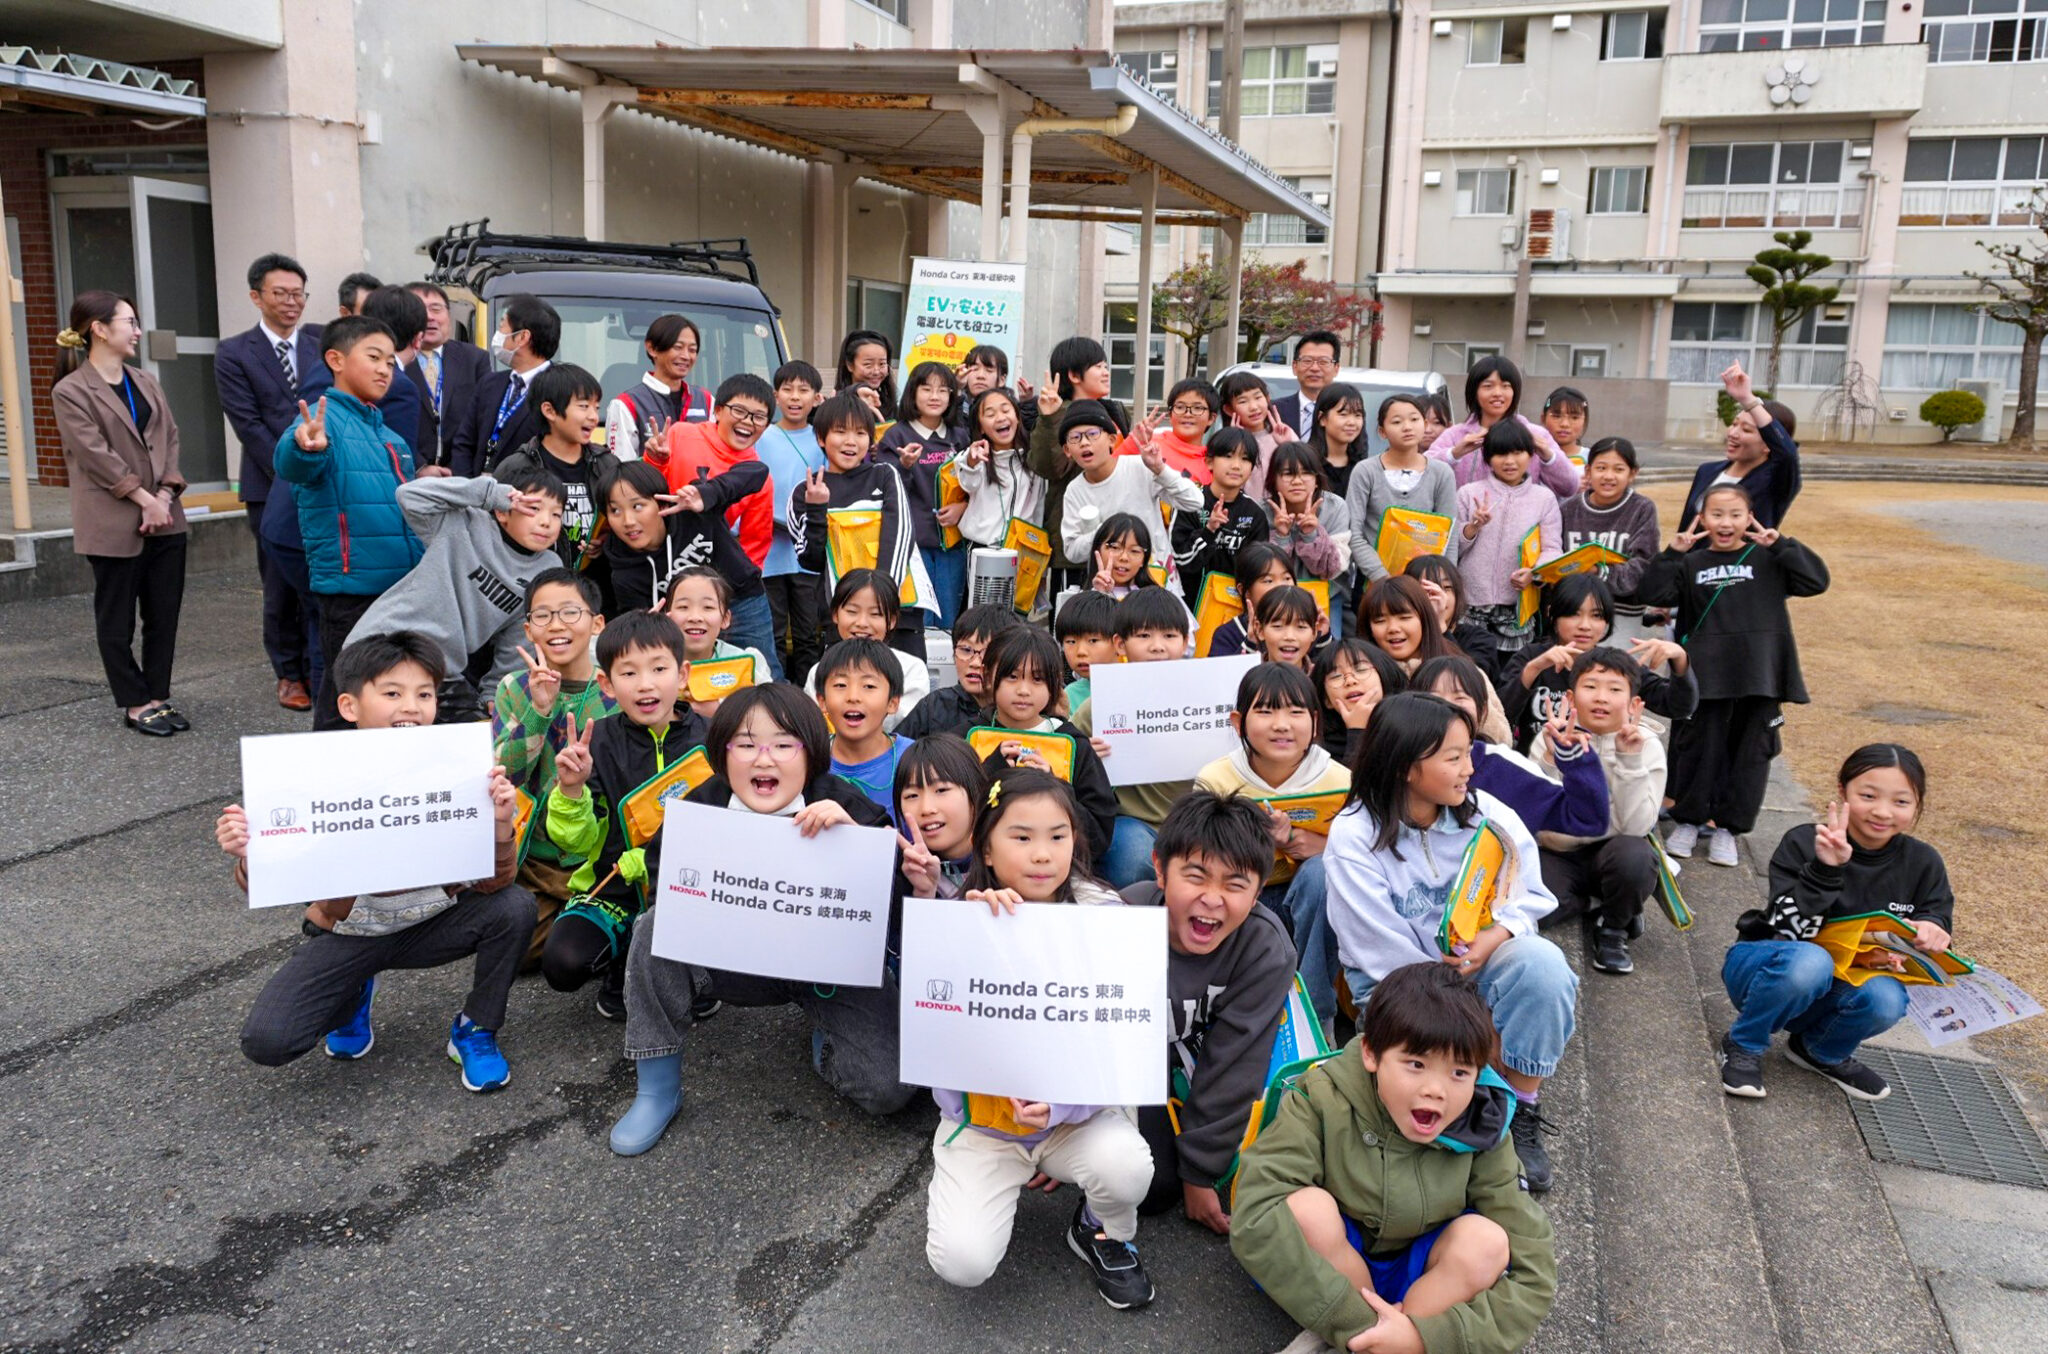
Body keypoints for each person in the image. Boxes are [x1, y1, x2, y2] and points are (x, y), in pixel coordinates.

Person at [219, 631, 537, 1092]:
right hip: (350, 932)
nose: (411, 706)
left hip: (433, 923)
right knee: (269, 1041)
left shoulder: (459, 770)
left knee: (515, 907)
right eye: (392, 693)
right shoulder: (309, 775)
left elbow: (494, 883)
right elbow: (275, 883)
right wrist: (253, 854)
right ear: (350, 706)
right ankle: (353, 996)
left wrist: (501, 824)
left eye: (424, 694)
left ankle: (475, 1027)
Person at [609, 683, 916, 1155]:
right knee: (652, 928)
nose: (764, 760)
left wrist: (857, 845)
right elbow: (659, 876)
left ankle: (827, 1041)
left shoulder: (848, 807)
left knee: (888, 1090)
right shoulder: (698, 808)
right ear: (722, 753)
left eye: (783, 745)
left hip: (827, 972)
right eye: (746, 745)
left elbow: (892, 917)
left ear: (811, 754)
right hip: (731, 963)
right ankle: (657, 1085)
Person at [1229, 962, 1558, 1353]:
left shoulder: (1480, 1123)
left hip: (1424, 1276)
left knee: (1486, 1242)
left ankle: (1395, 1339)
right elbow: (1255, 1209)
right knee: (1305, 1210)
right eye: (1416, 1065)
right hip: (1336, 1266)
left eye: (1459, 1073)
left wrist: (1424, 1339)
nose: (1436, 1090)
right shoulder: (1321, 1095)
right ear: (1371, 1053)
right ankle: (1368, 1338)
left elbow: (1535, 1271)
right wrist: (1355, 1324)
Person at [1322, 691, 1579, 1192]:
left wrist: (1497, 934)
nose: (1469, 769)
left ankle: (1520, 1109)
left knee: (1543, 966)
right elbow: (1375, 949)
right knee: (1433, 1116)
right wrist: (1450, 992)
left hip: (1476, 970)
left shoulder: (1483, 812)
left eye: (1468, 753)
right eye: (1453, 756)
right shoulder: (1354, 835)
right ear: (1405, 766)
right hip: (1397, 988)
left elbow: (1529, 892)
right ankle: (1479, 1091)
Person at [921, 768, 1158, 1309]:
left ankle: (1102, 1231)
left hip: (1078, 1118)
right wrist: (968, 937)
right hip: (984, 1126)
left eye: (1057, 835)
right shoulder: (958, 920)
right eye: (1021, 837)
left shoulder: (1106, 916)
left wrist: (1061, 1106)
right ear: (985, 842)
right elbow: (932, 1034)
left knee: (1127, 1168)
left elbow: (1123, 1047)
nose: (1042, 854)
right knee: (962, 1261)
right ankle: (964, 1184)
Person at [1720, 744, 1954, 1102]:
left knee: (1888, 998)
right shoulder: (1804, 841)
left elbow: (1935, 915)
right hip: (1765, 971)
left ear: (1917, 805)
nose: (1882, 811)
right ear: (1843, 791)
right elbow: (1792, 930)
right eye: (1868, 795)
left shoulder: (1923, 862)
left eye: (1901, 802)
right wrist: (1826, 870)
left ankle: (1818, 1051)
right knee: (1812, 960)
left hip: (1840, 985)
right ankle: (1744, 1043)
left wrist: (1933, 930)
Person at [1121, 790, 1294, 1232]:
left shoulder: (1264, 947)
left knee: (1172, 1183)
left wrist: (1200, 1173)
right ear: (1160, 868)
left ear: (1258, 890)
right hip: (1130, 1064)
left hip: (1195, 1059)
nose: (1213, 898)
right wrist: (1059, 1124)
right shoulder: (1120, 917)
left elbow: (1236, 1062)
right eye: (1196, 876)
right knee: (1151, 1187)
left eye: (1235, 884)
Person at [1641, 485, 1830, 868]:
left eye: (1735, 515)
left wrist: (1781, 545)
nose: (1725, 523)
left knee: (1751, 757)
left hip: (1758, 676)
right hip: (1705, 677)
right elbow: (1651, 592)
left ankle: (1729, 828)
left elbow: (1816, 582)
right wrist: (1673, 552)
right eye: (1716, 515)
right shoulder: (1692, 563)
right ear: (1702, 519)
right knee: (1697, 751)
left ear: (1750, 517)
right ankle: (1690, 821)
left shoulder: (1768, 559)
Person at [536, 609, 709, 1019]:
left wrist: (653, 861)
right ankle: (624, 961)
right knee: (563, 963)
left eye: (659, 668)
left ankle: (695, 973)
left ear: (682, 674)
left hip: (693, 888)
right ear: (606, 683)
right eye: (628, 673)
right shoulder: (597, 742)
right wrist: (571, 789)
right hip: (611, 891)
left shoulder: (711, 737)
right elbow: (572, 843)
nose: (646, 684)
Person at [275, 315, 424, 730]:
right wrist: (305, 446)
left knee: (388, 689)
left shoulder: (388, 436)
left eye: (392, 362)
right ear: (335, 359)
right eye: (374, 357)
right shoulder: (322, 422)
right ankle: (328, 788)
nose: (384, 369)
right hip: (350, 590)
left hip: (399, 587)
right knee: (347, 694)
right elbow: (294, 459)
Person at [53, 291, 189, 736]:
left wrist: (165, 494)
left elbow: (169, 435)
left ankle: (158, 696)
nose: (136, 331)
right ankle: (134, 703)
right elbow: (94, 454)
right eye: (128, 322)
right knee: (116, 619)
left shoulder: (145, 380)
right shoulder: (71, 390)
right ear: (99, 329)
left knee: (163, 614)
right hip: (114, 520)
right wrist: (142, 498)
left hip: (165, 517)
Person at [1194, 662, 1350, 1027]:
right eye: (1265, 711)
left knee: (1324, 872)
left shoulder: (1340, 780)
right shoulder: (1216, 778)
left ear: (1315, 721)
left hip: (1311, 909)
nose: (1282, 724)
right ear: (1238, 722)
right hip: (1243, 900)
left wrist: (1306, 843)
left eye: (1295, 712)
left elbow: (1365, 860)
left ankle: (1314, 1015)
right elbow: (1199, 859)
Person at [344, 466, 565, 723]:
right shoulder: (464, 524)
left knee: (473, 741)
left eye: (556, 514)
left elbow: (520, 634)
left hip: (440, 668)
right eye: (534, 509)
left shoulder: (548, 568)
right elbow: (409, 495)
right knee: (346, 740)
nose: (546, 522)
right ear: (503, 510)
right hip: (380, 642)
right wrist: (490, 492)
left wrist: (495, 690)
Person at [216, 251, 321, 711]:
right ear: (256, 296)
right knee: (278, 583)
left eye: (298, 293)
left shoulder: (322, 342)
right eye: (281, 293)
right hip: (268, 483)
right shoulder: (234, 352)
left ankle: (321, 666)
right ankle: (289, 673)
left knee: (319, 578)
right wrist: (289, 468)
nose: (291, 302)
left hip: (323, 479)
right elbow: (248, 424)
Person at [492, 569, 614, 963]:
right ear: (528, 630)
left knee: (568, 956)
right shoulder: (514, 687)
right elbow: (504, 776)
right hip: (534, 857)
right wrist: (539, 710)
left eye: (569, 613)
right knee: (513, 952)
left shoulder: (616, 688)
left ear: (597, 623)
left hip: (596, 857)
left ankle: (591, 923)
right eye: (543, 616)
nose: (557, 625)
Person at [1535, 648, 1667, 976]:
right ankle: (1595, 902)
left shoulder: (1646, 745)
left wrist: (1629, 760)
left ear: (1634, 703)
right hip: (1559, 854)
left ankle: (1613, 928)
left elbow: (1636, 827)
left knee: (1635, 856)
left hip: (1615, 852)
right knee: (1537, 909)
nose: (1601, 698)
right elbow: (1545, 830)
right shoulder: (1550, 738)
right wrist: (1553, 762)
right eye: (1590, 686)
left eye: (1614, 689)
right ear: (1570, 697)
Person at [788, 390, 942, 651]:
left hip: (898, 613)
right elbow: (810, 560)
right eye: (840, 432)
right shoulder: (807, 490)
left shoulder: (885, 475)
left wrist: (879, 603)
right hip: (842, 620)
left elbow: (900, 535)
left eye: (860, 433)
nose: (851, 442)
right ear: (821, 438)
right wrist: (816, 510)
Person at [1071, 587, 1198, 888]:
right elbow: (1065, 754)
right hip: (1133, 823)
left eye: (1169, 636)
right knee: (1130, 858)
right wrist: (1086, 755)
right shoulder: (1102, 702)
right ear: (1120, 643)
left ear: (1185, 641)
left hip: (1199, 820)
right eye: (1143, 636)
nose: (1157, 647)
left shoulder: (1209, 694)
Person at [1414, 654, 1611, 843]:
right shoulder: (1397, 763)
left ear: (1482, 711)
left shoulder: (1503, 765)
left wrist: (1575, 759)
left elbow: (1587, 820)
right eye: (1434, 698)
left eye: (1460, 698)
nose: (1447, 708)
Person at [1496, 572, 1694, 751]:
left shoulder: (1616, 665)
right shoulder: (1531, 657)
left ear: (1607, 620)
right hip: (1538, 771)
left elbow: (1678, 706)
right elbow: (1499, 717)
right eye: (1574, 613)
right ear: (1552, 613)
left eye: (1596, 615)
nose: (1585, 626)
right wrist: (1533, 669)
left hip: (1599, 775)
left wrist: (1680, 661)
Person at [976, 626, 1118, 861]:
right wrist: (990, 770)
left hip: (1058, 873)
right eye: (1012, 677)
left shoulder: (1074, 745)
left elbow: (1099, 834)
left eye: (1038, 679)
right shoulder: (967, 737)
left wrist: (1056, 788)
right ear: (988, 675)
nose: (1023, 690)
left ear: (1055, 684)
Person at [600, 455, 768, 617]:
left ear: (662, 503)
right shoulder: (623, 572)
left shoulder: (692, 508)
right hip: (685, 623)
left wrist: (709, 493)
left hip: (742, 603)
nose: (628, 521)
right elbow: (638, 628)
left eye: (637, 506)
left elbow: (758, 471)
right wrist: (647, 624)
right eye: (615, 510)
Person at [1024, 338, 1132, 590]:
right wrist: (1050, 418)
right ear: (1074, 375)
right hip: (1074, 545)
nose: (1106, 372)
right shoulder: (1055, 413)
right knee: (1072, 618)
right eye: (1099, 366)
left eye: (1106, 366)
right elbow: (1048, 467)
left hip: (1121, 541)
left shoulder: (1115, 411)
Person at [491, 364, 617, 570]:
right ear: (549, 411)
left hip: (599, 589)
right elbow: (493, 533)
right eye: (584, 406)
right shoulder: (517, 467)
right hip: (536, 584)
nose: (594, 417)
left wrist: (606, 541)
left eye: (597, 407)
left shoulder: (607, 464)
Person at [1454, 420, 1563, 645]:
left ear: (1530, 455)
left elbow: (1552, 548)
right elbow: (1452, 548)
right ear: (1488, 459)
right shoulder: (1468, 494)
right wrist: (1472, 528)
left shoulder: (1544, 498)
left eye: (1518, 452)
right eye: (1501, 454)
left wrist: (1534, 574)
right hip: (1469, 605)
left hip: (1517, 607)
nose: (1510, 461)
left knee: (1511, 674)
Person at [1057, 403, 1202, 572]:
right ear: (1067, 450)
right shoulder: (1074, 491)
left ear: (1111, 440)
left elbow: (1195, 502)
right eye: (1075, 437)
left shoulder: (1141, 467)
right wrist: (1104, 533)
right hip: (1109, 586)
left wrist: (1160, 469)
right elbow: (1071, 551)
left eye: (1092, 434)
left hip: (1156, 580)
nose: (1084, 443)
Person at [755, 359, 828, 682]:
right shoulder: (761, 437)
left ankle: (808, 694)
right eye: (787, 389)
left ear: (817, 397)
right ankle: (776, 691)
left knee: (807, 631)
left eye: (804, 390)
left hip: (807, 552)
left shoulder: (824, 438)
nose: (795, 397)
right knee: (771, 628)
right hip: (768, 548)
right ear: (775, 395)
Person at [880, 361, 968, 629]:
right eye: (926, 389)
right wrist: (904, 466)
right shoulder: (896, 435)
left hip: (951, 543)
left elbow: (977, 486)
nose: (934, 396)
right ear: (912, 393)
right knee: (916, 619)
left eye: (943, 390)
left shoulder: (960, 436)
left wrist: (963, 507)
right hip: (912, 545)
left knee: (948, 618)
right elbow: (885, 490)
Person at [1426, 355, 1579, 496]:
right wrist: (1454, 453)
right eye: (1488, 386)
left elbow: (1569, 487)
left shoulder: (1534, 434)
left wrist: (1548, 456)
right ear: (1474, 391)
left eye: (1506, 386)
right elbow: (1421, 471)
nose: (1498, 393)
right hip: (1467, 524)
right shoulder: (1456, 435)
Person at [1559, 436, 1662, 646]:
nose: (1608, 476)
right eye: (1601, 468)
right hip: (1573, 611)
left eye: (1618, 469)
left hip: (1622, 612)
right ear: (1588, 471)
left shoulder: (1642, 509)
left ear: (1633, 473)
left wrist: (1599, 572)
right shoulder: (1568, 509)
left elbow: (1643, 565)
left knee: (1613, 672)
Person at [1350, 392, 1461, 585]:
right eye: (1396, 422)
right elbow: (1354, 532)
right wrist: (1381, 576)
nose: (1407, 427)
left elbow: (1448, 534)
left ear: (1424, 425)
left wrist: (1444, 582)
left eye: (1414, 419)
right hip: (1373, 581)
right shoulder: (1365, 471)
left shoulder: (1441, 473)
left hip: (1425, 583)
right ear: (1382, 431)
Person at [1679, 361, 1801, 533]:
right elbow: (1686, 527)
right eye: (1734, 424)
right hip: (1696, 560)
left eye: (1746, 430)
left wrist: (1748, 399)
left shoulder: (1774, 482)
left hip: (1744, 560)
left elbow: (1788, 454)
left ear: (1769, 444)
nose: (1733, 433)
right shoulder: (1706, 471)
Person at [801, 570, 931, 729]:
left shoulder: (912, 670)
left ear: (892, 621)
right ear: (835, 614)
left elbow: (908, 726)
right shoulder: (819, 671)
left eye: (875, 614)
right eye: (852, 612)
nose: (862, 622)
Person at [953, 387, 1047, 609]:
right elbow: (969, 482)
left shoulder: (1033, 459)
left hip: (1023, 552)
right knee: (983, 618)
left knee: (1014, 621)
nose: (1000, 418)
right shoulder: (975, 456)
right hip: (983, 549)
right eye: (990, 414)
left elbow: (1039, 509)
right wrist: (972, 461)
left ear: (1016, 416)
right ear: (981, 427)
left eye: (1006, 410)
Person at [451, 293, 559, 476]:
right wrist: (467, 488)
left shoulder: (559, 388)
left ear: (522, 337)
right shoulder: (490, 383)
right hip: (476, 495)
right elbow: (464, 441)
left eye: (502, 327)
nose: (498, 336)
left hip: (523, 496)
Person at [1172, 427, 1268, 607]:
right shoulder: (1190, 503)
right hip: (1186, 607)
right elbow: (1181, 560)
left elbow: (1257, 573)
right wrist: (1209, 531)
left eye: (1245, 459)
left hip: (1233, 608)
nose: (1236, 465)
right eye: (1228, 456)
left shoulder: (1255, 515)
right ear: (1209, 462)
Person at [816, 637, 912, 815]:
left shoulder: (914, 760)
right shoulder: (809, 761)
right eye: (840, 685)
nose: (853, 696)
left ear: (892, 702)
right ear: (822, 701)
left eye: (868, 686)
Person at [896, 603, 1021, 740]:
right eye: (966, 650)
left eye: (988, 653)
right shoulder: (935, 706)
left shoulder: (1022, 711)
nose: (975, 663)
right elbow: (896, 753)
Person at [663, 566, 772, 719]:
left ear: (725, 618)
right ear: (668, 617)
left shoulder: (746, 661)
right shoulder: (655, 664)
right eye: (683, 607)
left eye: (708, 607)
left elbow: (771, 713)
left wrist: (720, 710)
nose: (695, 617)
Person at [404, 281, 492, 469]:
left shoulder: (475, 359)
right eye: (419, 309)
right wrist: (419, 467)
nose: (429, 317)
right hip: (406, 475)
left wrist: (457, 470)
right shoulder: (391, 361)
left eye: (436, 309)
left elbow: (484, 421)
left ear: (449, 315)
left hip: (458, 476)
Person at [605, 313, 714, 461]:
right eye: (678, 347)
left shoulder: (706, 400)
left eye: (692, 350)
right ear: (652, 349)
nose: (686, 356)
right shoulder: (626, 405)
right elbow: (620, 472)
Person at [892, 734, 988, 901]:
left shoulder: (1007, 861)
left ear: (977, 790)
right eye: (912, 796)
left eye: (941, 790)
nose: (927, 809)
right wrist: (923, 894)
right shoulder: (901, 873)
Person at [1266, 444, 1350, 610]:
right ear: (1273, 480)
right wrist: (1281, 537)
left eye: (1306, 473)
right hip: (1274, 599)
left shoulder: (1335, 507)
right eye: (1288, 474)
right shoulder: (1263, 511)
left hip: (1324, 596)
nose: (1297, 481)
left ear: (1317, 479)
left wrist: (1311, 535)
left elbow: (1333, 569)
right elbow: (1263, 571)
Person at [1405, 553, 1502, 682]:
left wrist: (1439, 626)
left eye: (1446, 588)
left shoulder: (1480, 640)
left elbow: (1468, 684)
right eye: (1426, 589)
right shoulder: (1400, 638)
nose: (1439, 597)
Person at [1313, 636, 1406, 761]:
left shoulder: (1410, 725)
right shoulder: (1320, 750)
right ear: (1326, 700)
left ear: (1384, 677)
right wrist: (1357, 731)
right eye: (1336, 676)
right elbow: (1351, 780)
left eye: (1361, 670)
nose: (1350, 681)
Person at [1206, 542, 1299, 660]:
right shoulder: (1228, 635)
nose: (1281, 587)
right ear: (1244, 590)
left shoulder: (1304, 626)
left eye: (1286, 578)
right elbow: (1222, 677)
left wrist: (1323, 636)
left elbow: (1322, 670)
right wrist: (1250, 643)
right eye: (1268, 580)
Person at [1216, 370, 1292, 501]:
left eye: (1258, 397)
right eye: (1243, 401)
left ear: (1267, 399)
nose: (1253, 407)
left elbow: (1298, 474)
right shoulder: (1222, 443)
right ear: (1229, 409)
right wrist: (1235, 443)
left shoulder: (1285, 434)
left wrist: (1286, 446)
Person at [1125, 379, 1217, 481]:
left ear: (1211, 418)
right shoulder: (1148, 444)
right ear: (1170, 414)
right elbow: (1112, 472)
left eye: (1197, 408)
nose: (1188, 414)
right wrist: (1133, 442)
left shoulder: (1212, 464)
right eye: (1180, 407)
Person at [1054, 590, 1119, 715]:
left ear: (1118, 643)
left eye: (1093, 640)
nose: (1081, 652)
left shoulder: (1139, 685)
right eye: (1071, 642)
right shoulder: (1069, 697)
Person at [1273, 330, 1343, 439]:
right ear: (1295, 366)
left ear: (1336, 368)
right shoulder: (1274, 410)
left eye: (1323, 361)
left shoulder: (1346, 413)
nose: (1314, 368)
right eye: (1307, 361)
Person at [1307, 382, 1366, 500]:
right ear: (1322, 418)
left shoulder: (1363, 466)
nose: (1352, 422)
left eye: (1357, 415)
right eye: (1343, 414)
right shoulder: (1307, 463)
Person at [1246, 585, 1323, 674]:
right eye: (1278, 626)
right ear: (1260, 630)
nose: (1289, 637)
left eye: (1301, 627)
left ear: (1314, 632)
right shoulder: (1245, 677)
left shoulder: (1322, 681)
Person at [833, 329, 898, 422]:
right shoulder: (836, 404)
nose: (876, 371)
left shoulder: (892, 406)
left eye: (882, 364)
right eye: (868, 364)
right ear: (850, 365)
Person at [1539, 386, 1590, 468]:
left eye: (1574, 418)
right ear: (1543, 418)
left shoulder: (1593, 459)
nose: (1564, 424)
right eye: (1556, 416)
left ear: (1584, 421)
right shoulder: (1532, 457)